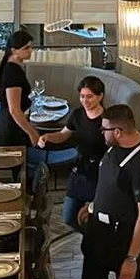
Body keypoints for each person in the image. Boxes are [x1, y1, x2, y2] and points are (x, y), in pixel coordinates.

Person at [78, 104, 140, 279]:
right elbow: (109, 184)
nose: (101, 132)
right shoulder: (114, 146)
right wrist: (92, 206)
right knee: (91, 277)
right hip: (100, 230)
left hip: (122, 237)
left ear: (118, 132)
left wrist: (131, 258)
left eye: (104, 129)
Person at [38, 75, 107, 232]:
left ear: (100, 96)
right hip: (80, 169)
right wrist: (48, 137)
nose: (85, 101)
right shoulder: (77, 114)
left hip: (100, 172)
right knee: (69, 217)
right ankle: (89, 237)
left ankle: (96, 241)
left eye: (89, 96)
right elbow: (63, 135)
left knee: (96, 217)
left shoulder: (106, 120)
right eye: (82, 96)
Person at [0, 30, 40, 148]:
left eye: (30, 47)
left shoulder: (11, 66)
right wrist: (32, 133)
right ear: (14, 50)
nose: (30, 50)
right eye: (26, 48)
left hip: (10, 124)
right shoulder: (13, 72)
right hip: (9, 129)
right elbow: (14, 110)